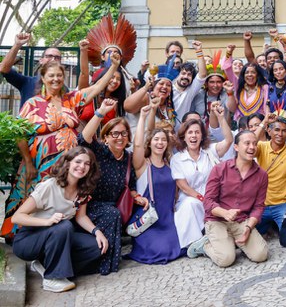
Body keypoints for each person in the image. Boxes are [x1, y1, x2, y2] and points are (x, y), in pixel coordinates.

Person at [1, 52, 121, 238]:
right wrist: (28, 162)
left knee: (65, 200)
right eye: (51, 76)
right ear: (43, 78)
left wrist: (113, 67)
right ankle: (29, 238)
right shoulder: (33, 104)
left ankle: (62, 237)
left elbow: (97, 87)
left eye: (59, 75)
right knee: (39, 199)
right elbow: (20, 134)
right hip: (40, 165)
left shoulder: (71, 100)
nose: (56, 79)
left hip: (69, 166)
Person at [11, 146, 106, 293]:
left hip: (57, 236)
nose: (82, 167)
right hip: (29, 240)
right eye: (78, 162)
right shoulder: (49, 186)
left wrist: (96, 231)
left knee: (95, 247)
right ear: (68, 163)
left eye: (87, 164)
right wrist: (47, 221)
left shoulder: (83, 190)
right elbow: (17, 217)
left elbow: (81, 217)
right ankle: (52, 278)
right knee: (65, 226)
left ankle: (45, 265)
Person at [78, 98, 148, 275]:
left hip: (113, 206)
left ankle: (108, 262)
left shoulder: (127, 158)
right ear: (106, 137)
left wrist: (137, 197)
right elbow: (83, 139)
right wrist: (100, 112)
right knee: (112, 214)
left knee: (117, 213)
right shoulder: (100, 152)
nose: (120, 138)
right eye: (115, 134)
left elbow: (130, 185)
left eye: (124, 134)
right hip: (91, 204)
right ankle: (101, 263)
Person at [186, 130, 269, 267]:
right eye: (247, 143)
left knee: (261, 255)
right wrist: (225, 213)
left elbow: (259, 206)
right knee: (226, 260)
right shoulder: (220, 169)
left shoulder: (261, 175)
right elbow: (208, 202)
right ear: (236, 147)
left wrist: (248, 228)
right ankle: (206, 246)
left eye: (254, 143)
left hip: (242, 221)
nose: (252, 147)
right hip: (217, 219)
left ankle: (229, 241)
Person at [124, 104, 182, 264]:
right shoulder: (142, 165)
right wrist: (142, 117)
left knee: (178, 246)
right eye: (156, 139)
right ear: (149, 143)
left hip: (168, 218)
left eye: (163, 140)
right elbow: (136, 145)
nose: (160, 143)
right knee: (161, 251)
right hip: (149, 219)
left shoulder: (171, 165)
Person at [171, 106, 233, 250]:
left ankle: (209, 239)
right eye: (190, 132)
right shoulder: (177, 158)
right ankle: (194, 243)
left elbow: (229, 140)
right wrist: (203, 199)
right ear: (184, 136)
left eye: (197, 132)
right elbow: (183, 186)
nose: (194, 136)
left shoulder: (210, 151)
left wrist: (221, 118)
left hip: (213, 197)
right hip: (191, 198)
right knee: (190, 205)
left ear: (202, 136)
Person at [251, 114, 286, 234]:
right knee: (247, 234)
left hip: (282, 204)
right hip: (261, 205)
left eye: (284, 130)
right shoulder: (261, 147)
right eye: (277, 130)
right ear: (269, 131)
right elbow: (249, 142)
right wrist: (264, 122)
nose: (280, 134)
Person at [0, 32, 63, 105]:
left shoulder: (63, 89)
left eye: (57, 57)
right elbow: (3, 69)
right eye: (49, 56)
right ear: (41, 60)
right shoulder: (26, 82)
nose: (53, 60)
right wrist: (17, 44)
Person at [267, 59, 286, 143]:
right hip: (275, 126)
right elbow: (267, 104)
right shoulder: (270, 87)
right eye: (275, 70)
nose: (278, 72)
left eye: (281, 69)